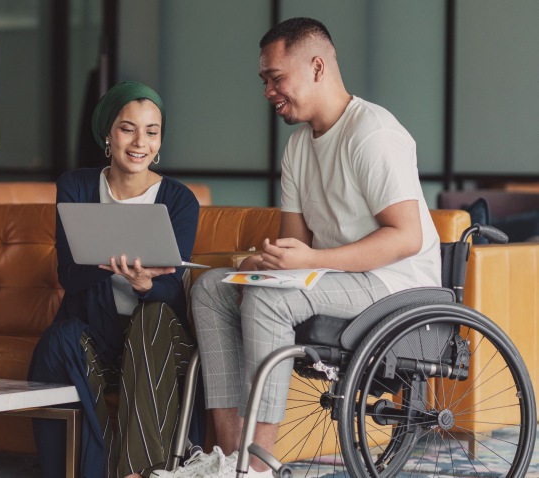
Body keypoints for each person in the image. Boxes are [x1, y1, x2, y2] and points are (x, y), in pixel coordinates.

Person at [158, 17, 441, 478]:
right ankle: (233, 461)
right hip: (336, 280)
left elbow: (405, 236)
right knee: (210, 287)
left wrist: (307, 262)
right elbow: (298, 244)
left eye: (276, 78)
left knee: (272, 297)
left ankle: (257, 466)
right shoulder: (298, 148)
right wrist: (266, 261)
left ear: (316, 67)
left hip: (395, 284)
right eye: (264, 80)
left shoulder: (373, 134)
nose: (268, 90)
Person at [28, 81, 201, 478]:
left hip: (158, 340)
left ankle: (137, 472)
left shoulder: (178, 200)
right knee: (60, 339)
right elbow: (68, 276)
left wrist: (144, 284)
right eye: (128, 128)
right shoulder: (77, 186)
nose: (140, 142)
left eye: (152, 131)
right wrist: (106, 261)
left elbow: (173, 287)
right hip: (99, 336)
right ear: (108, 134)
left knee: (151, 319)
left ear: (160, 140)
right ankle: (99, 470)